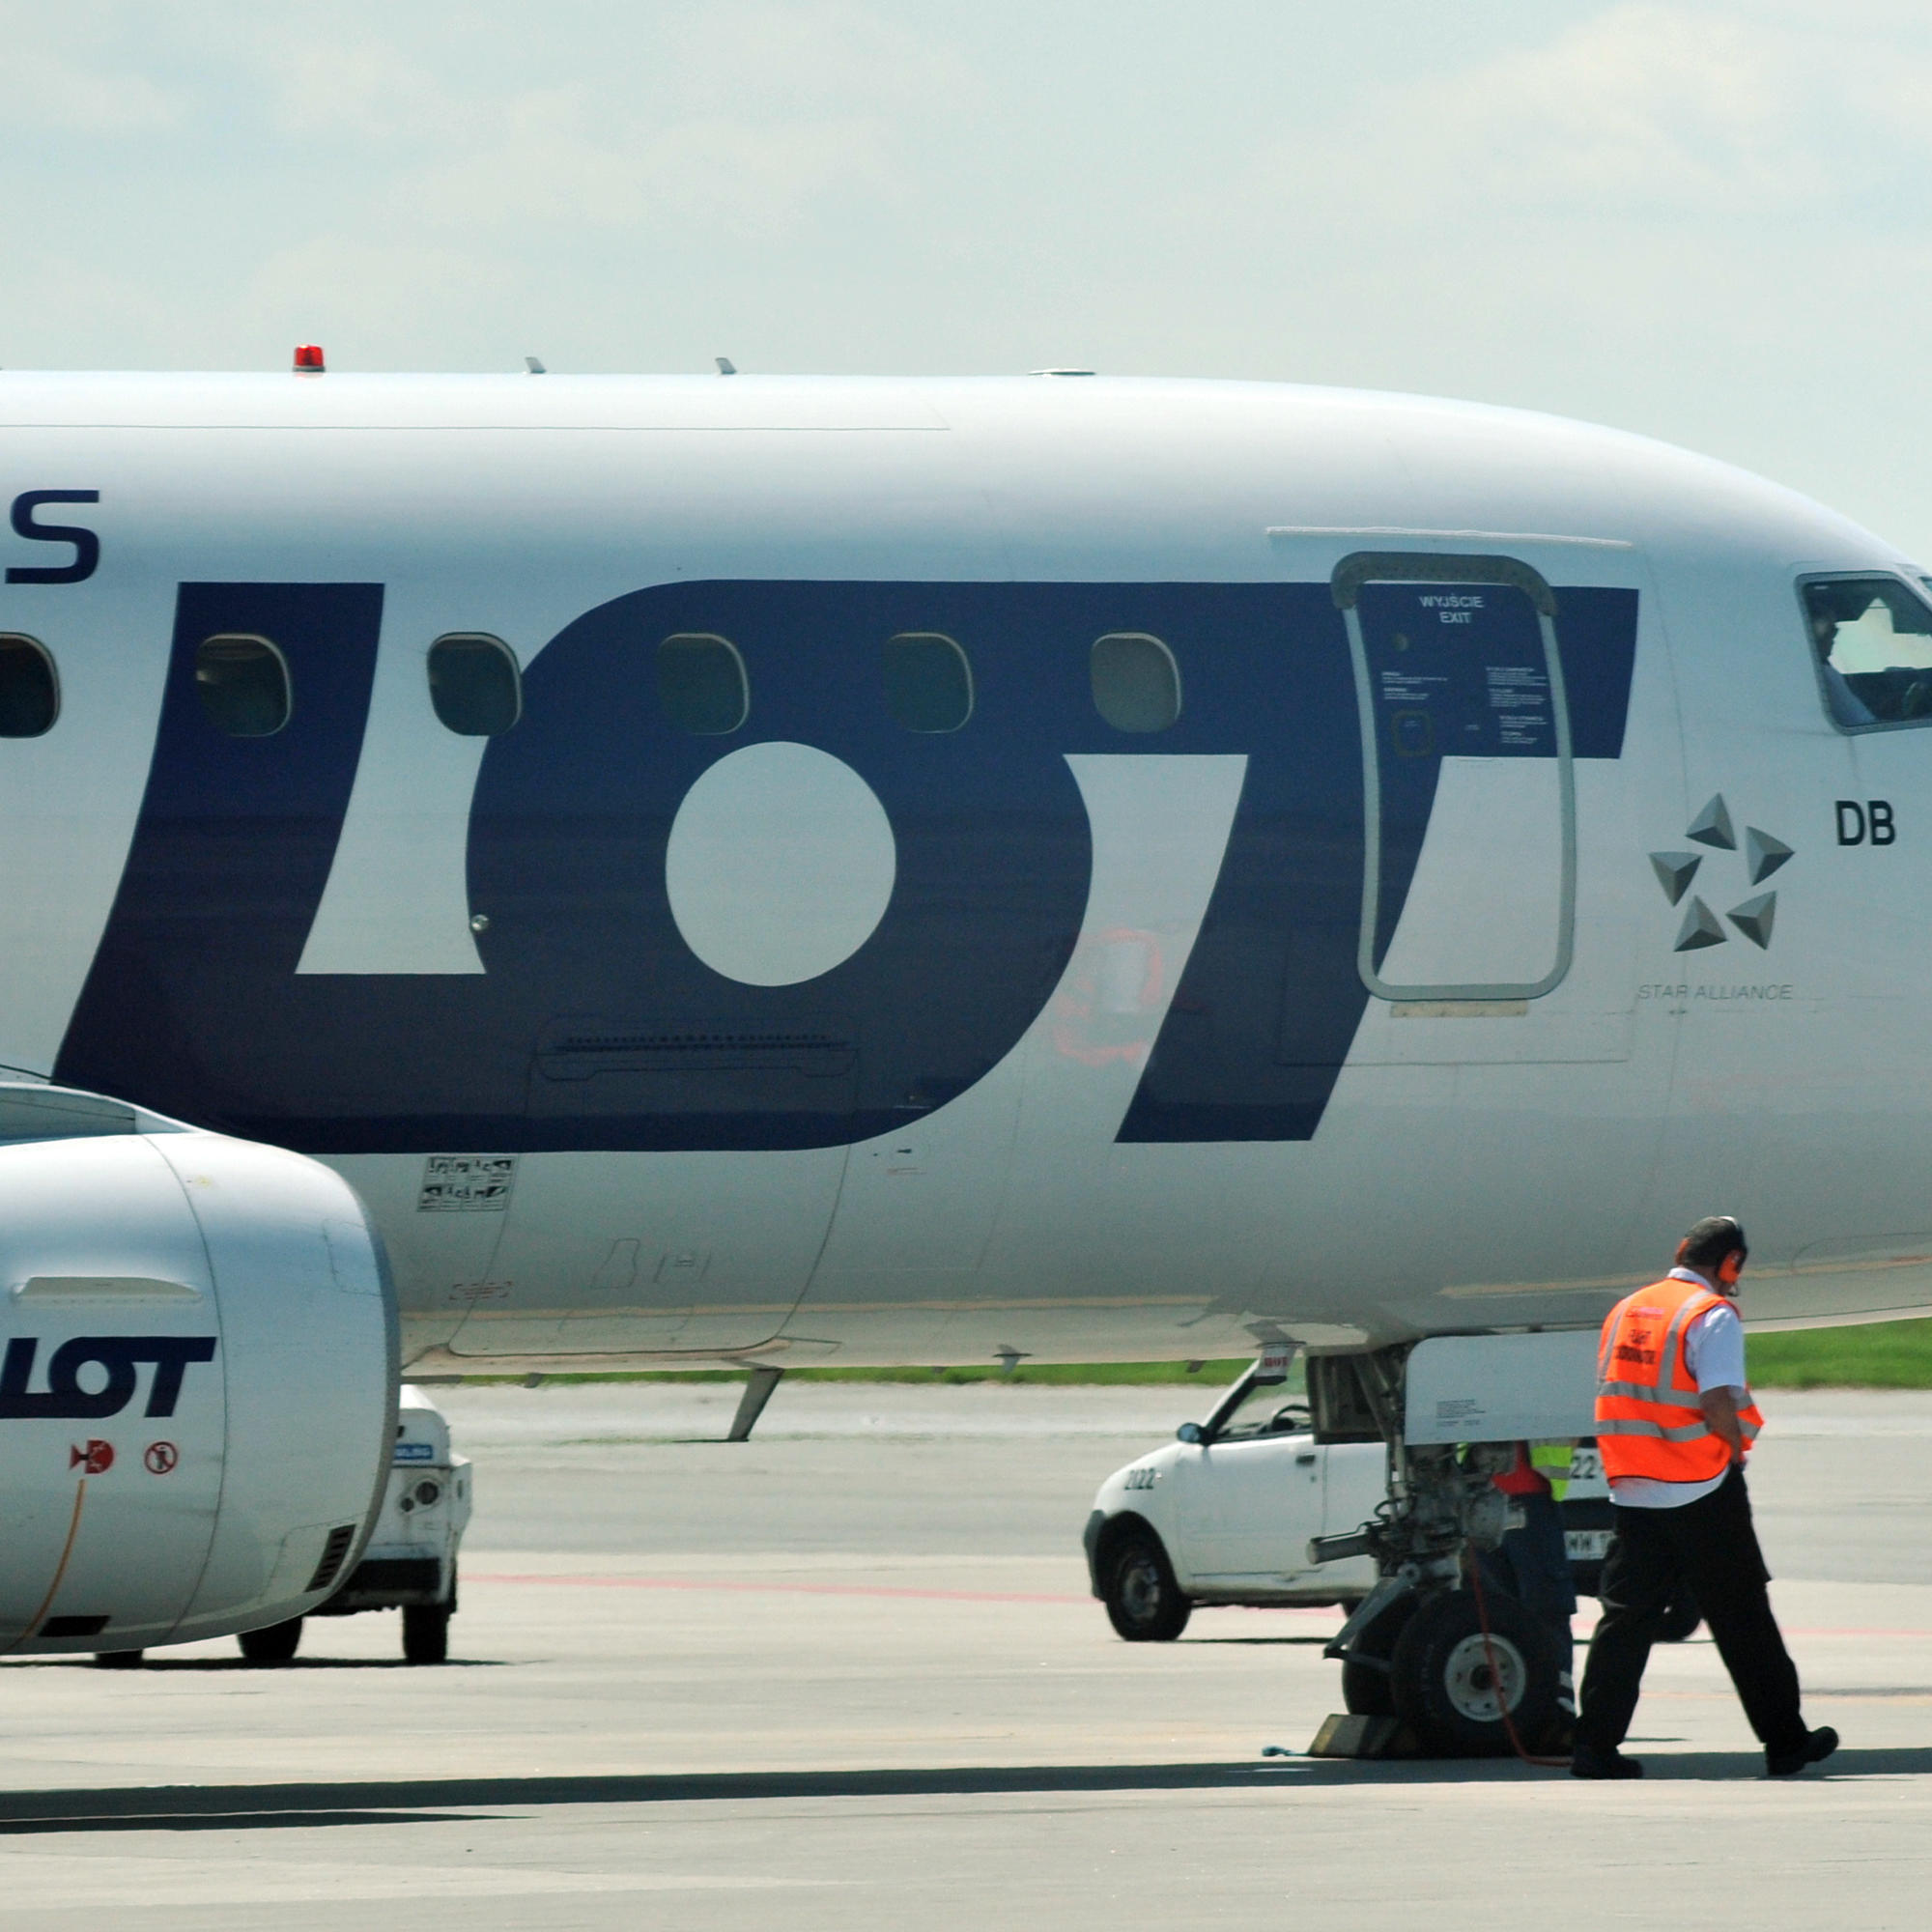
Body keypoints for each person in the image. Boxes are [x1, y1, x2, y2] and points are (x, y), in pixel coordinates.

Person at [1572, 1216, 1837, 1779]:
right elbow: (1718, 1399)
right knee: (1743, 1618)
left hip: (1635, 1489)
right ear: (1730, 1264)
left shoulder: (1629, 1309)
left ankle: (1594, 1748)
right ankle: (1785, 1741)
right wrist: (1735, 1448)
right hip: (1701, 1487)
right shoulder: (1709, 1315)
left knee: (1624, 1622)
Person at [1476, 1439, 1578, 1734]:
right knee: (1518, 1613)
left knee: (1537, 1611)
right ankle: (1539, 1706)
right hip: (1497, 1499)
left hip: (1514, 1499)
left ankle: (1550, 1706)